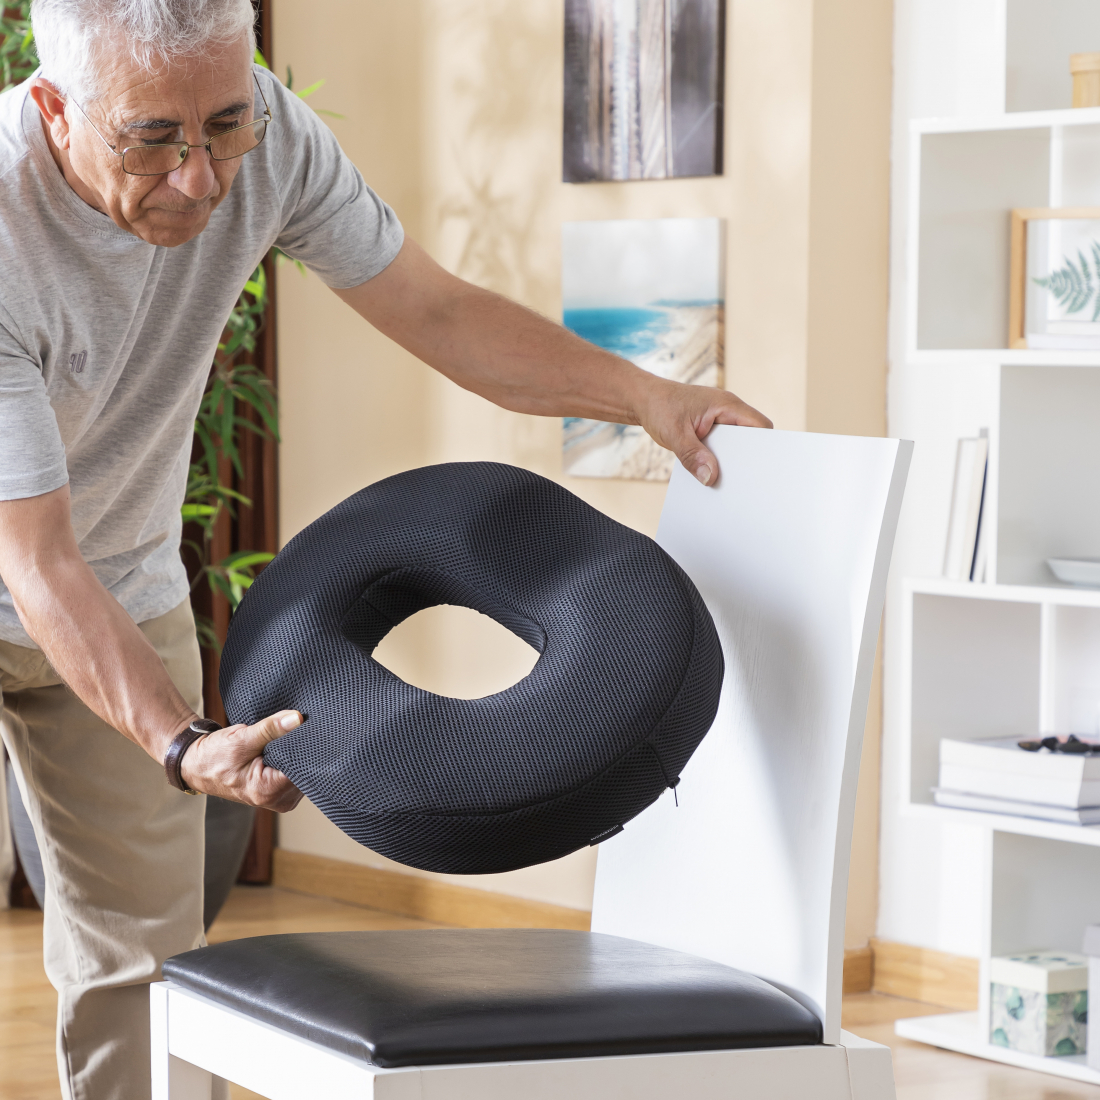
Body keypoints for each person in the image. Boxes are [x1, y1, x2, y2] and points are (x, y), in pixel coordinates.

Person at [0, 1, 771, 1096]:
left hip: (119, 580)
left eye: (223, 123)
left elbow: (439, 312)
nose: (202, 178)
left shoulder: (263, 135)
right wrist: (178, 741)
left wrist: (646, 395)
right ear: (53, 108)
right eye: (152, 139)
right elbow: (35, 562)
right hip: (45, 559)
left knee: (144, 968)